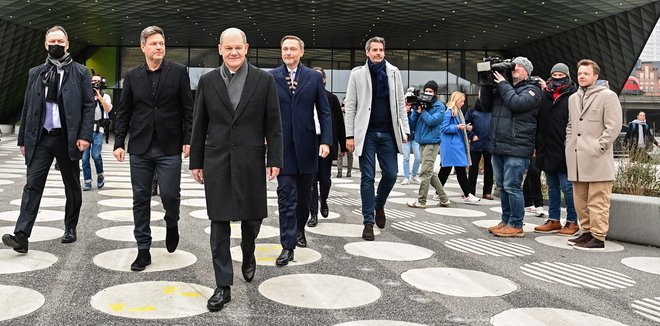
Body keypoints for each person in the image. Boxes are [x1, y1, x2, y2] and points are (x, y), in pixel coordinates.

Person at [190, 27, 283, 312]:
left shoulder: (263, 80)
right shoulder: (207, 82)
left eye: (238, 47)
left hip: (251, 160)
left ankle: (248, 249)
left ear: (246, 48)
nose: (233, 52)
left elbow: (273, 124)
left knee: (252, 220)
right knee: (218, 223)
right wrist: (196, 161)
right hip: (216, 160)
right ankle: (223, 285)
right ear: (220, 49)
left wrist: (275, 159)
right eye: (227, 48)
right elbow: (199, 124)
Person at [2, 25, 94, 252]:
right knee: (32, 185)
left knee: (71, 185)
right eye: (52, 41)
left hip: (67, 138)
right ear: (45, 44)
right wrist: (23, 138)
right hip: (41, 139)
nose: (56, 45)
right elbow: (27, 107)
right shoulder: (36, 73)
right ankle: (21, 236)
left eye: (60, 42)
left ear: (67, 44)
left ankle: (70, 227)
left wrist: (84, 135)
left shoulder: (81, 72)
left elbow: (88, 106)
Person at [113, 26, 193, 271]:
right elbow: (124, 111)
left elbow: (189, 109)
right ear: (143, 47)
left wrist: (188, 139)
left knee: (170, 194)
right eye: (154, 43)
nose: (159, 47)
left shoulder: (179, 72)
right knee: (140, 198)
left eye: (162, 43)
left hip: (169, 147)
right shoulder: (133, 75)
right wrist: (118, 142)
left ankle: (172, 222)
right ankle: (143, 250)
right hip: (140, 147)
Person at [271, 35, 331, 265]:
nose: (288, 53)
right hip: (283, 148)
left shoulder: (314, 78)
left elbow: (324, 112)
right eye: (285, 48)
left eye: (292, 49)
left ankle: (299, 229)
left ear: (301, 52)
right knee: (286, 196)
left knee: (305, 198)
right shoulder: (272, 77)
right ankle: (287, 246)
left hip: (307, 147)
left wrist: (326, 141)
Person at [344, 36, 409, 241]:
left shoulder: (394, 73)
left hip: (389, 133)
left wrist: (405, 129)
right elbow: (350, 106)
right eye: (374, 50)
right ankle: (368, 222)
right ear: (367, 53)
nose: (378, 53)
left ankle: (378, 204)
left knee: (391, 174)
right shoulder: (357, 74)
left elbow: (400, 104)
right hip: (367, 133)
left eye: (381, 50)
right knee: (367, 177)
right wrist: (349, 135)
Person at [478, 56, 541, 238]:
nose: (515, 68)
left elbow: (517, 104)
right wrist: (487, 84)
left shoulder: (532, 90)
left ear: (527, 71)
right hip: (499, 146)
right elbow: (485, 105)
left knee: (512, 186)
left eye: (519, 66)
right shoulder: (503, 89)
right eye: (514, 65)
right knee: (502, 187)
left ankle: (516, 224)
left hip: (517, 146)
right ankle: (506, 220)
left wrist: (503, 84)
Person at [565, 59, 622, 250]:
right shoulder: (573, 98)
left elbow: (613, 127)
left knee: (598, 200)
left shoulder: (608, 96)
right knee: (580, 201)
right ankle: (587, 232)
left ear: (595, 76)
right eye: (579, 73)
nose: (581, 76)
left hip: (597, 157)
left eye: (586, 73)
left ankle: (598, 236)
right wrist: (569, 145)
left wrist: (599, 147)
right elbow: (571, 125)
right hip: (577, 158)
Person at [533, 63, 579, 235]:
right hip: (546, 146)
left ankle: (572, 221)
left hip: (565, 147)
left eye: (561, 74)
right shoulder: (545, 95)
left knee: (567, 186)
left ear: (567, 76)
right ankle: (553, 220)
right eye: (555, 74)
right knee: (552, 186)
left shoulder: (574, 94)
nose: (558, 78)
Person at [308, 66, 347, 227]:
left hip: (325, 142)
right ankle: (313, 213)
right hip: (309, 142)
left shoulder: (331, 98)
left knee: (325, 179)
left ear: (324, 80)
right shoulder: (305, 97)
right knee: (311, 180)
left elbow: (339, 122)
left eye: (320, 77)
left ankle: (323, 200)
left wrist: (343, 145)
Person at [406, 81, 451, 208]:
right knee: (430, 173)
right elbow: (413, 125)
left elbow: (432, 121)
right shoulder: (422, 106)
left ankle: (421, 201)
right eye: (426, 90)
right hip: (421, 142)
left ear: (435, 93)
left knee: (425, 172)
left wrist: (422, 112)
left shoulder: (440, 107)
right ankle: (444, 199)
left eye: (430, 91)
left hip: (432, 142)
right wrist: (414, 111)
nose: (428, 93)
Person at [437, 91, 480, 203]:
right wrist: (458, 127)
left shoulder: (457, 112)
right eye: (461, 101)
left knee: (446, 170)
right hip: (452, 146)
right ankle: (467, 195)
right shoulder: (449, 112)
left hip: (454, 145)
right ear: (456, 100)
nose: (463, 103)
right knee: (460, 169)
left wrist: (465, 127)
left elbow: (455, 127)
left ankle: (438, 192)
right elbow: (443, 128)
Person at [82, 74, 112, 191]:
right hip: (86, 130)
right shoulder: (85, 95)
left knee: (96, 155)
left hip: (98, 129)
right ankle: (87, 181)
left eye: (98, 81)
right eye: (93, 81)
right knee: (84, 158)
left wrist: (100, 98)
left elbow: (108, 109)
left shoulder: (106, 96)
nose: (95, 83)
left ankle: (100, 175)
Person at [465, 97, 494, 200]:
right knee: (473, 168)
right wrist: (472, 135)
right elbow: (466, 124)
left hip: (490, 144)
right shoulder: (472, 110)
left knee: (489, 169)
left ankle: (487, 192)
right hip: (476, 143)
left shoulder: (494, 109)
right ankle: (470, 192)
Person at [401, 87, 421, 185]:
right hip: (405, 137)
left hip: (415, 136)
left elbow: (414, 122)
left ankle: (414, 175)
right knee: (406, 158)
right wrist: (405, 113)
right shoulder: (402, 109)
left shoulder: (415, 109)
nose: (408, 103)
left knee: (418, 157)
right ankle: (406, 177)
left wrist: (412, 112)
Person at [337, 100, 354, 178]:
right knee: (339, 154)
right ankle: (339, 171)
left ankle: (349, 171)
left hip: (350, 135)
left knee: (350, 154)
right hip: (341, 135)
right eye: (343, 104)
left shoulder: (351, 114)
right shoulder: (340, 113)